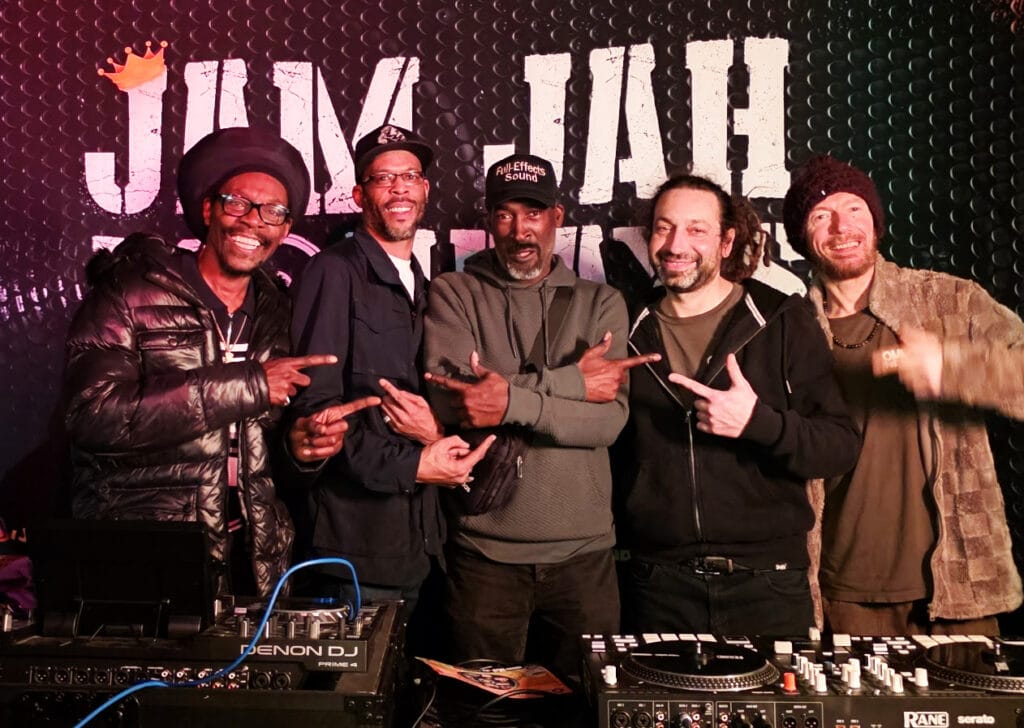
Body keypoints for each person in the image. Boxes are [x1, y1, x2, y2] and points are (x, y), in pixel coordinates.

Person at [64, 126, 376, 597]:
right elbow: (90, 415)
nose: (254, 221)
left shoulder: (279, 313)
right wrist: (248, 385)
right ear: (208, 209)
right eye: (238, 203)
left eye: (273, 212)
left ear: (285, 230)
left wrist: (299, 449)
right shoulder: (129, 293)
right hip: (148, 549)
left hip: (254, 555)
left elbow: (262, 452)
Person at [424, 153, 656, 677]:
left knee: (585, 706)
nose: (519, 230)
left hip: (584, 558)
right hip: (483, 556)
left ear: (557, 217)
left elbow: (607, 423)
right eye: (505, 214)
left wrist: (508, 401)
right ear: (489, 221)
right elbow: (457, 403)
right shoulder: (454, 293)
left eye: (533, 214)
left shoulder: (601, 302)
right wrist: (572, 383)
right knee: (482, 708)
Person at [783, 154, 1024, 635]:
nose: (842, 227)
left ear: (875, 222)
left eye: (854, 209)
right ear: (802, 238)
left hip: (958, 587)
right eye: (821, 215)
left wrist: (952, 366)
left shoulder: (949, 300)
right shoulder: (792, 327)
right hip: (844, 592)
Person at [615, 174, 860, 636]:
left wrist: (758, 423)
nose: (676, 245)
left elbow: (839, 446)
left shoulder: (782, 319)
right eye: (664, 228)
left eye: (696, 230)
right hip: (655, 584)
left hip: (768, 583)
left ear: (726, 242)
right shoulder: (625, 326)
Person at [287, 125, 491, 628]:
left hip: (420, 545)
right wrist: (415, 466)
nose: (399, 188)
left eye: (410, 176)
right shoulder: (334, 271)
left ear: (426, 189)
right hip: (356, 551)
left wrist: (436, 441)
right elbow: (318, 413)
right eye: (383, 178)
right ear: (359, 195)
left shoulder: (422, 281)